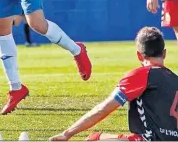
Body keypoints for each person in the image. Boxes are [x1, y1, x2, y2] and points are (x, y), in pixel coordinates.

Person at [49, 26, 178, 141]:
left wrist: (67, 134)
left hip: (149, 139)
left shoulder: (142, 74)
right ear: (164, 53)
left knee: (94, 139)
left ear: (139, 55)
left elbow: (103, 109)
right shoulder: (175, 78)